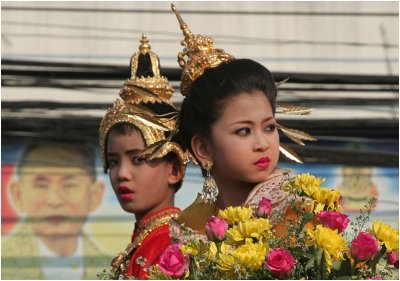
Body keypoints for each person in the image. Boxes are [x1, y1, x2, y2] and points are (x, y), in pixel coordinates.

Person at [170, 4, 316, 236]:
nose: (263, 143)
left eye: (269, 127)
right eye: (244, 131)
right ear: (203, 148)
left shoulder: (300, 212)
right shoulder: (188, 228)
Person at [98, 34, 188, 279]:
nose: (121, 174)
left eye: (137, 159)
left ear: (174, 170)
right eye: (114, 162)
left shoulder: (171, 246)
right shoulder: (146, 240)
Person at [1, 142, 109, 280]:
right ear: (17, 195)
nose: (55, 200)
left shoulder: (113, 271)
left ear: (95, 195)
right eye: (41, 185)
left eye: (69, 185)